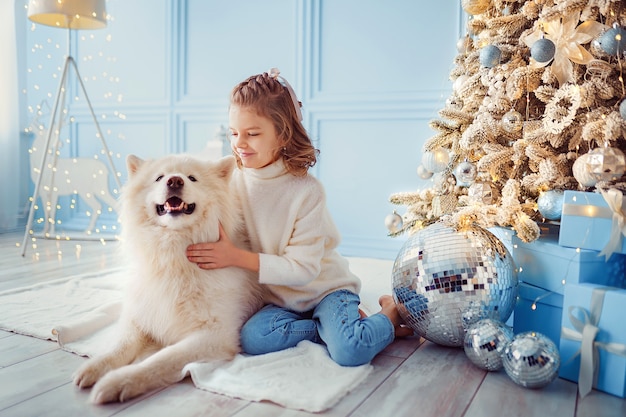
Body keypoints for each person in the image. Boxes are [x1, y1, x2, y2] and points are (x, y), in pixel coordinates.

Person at [186, 68, 412, 367]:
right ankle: (330, 330)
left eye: (252, 134)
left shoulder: (306, 192)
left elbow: (303, 269)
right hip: (279, 299)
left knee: (351, 351)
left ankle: (388, 315)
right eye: (233, 133)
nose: (240, 143)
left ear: (282, 135)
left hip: (324, 290)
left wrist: (236, 257)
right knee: (253, 339)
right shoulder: (233, 180)